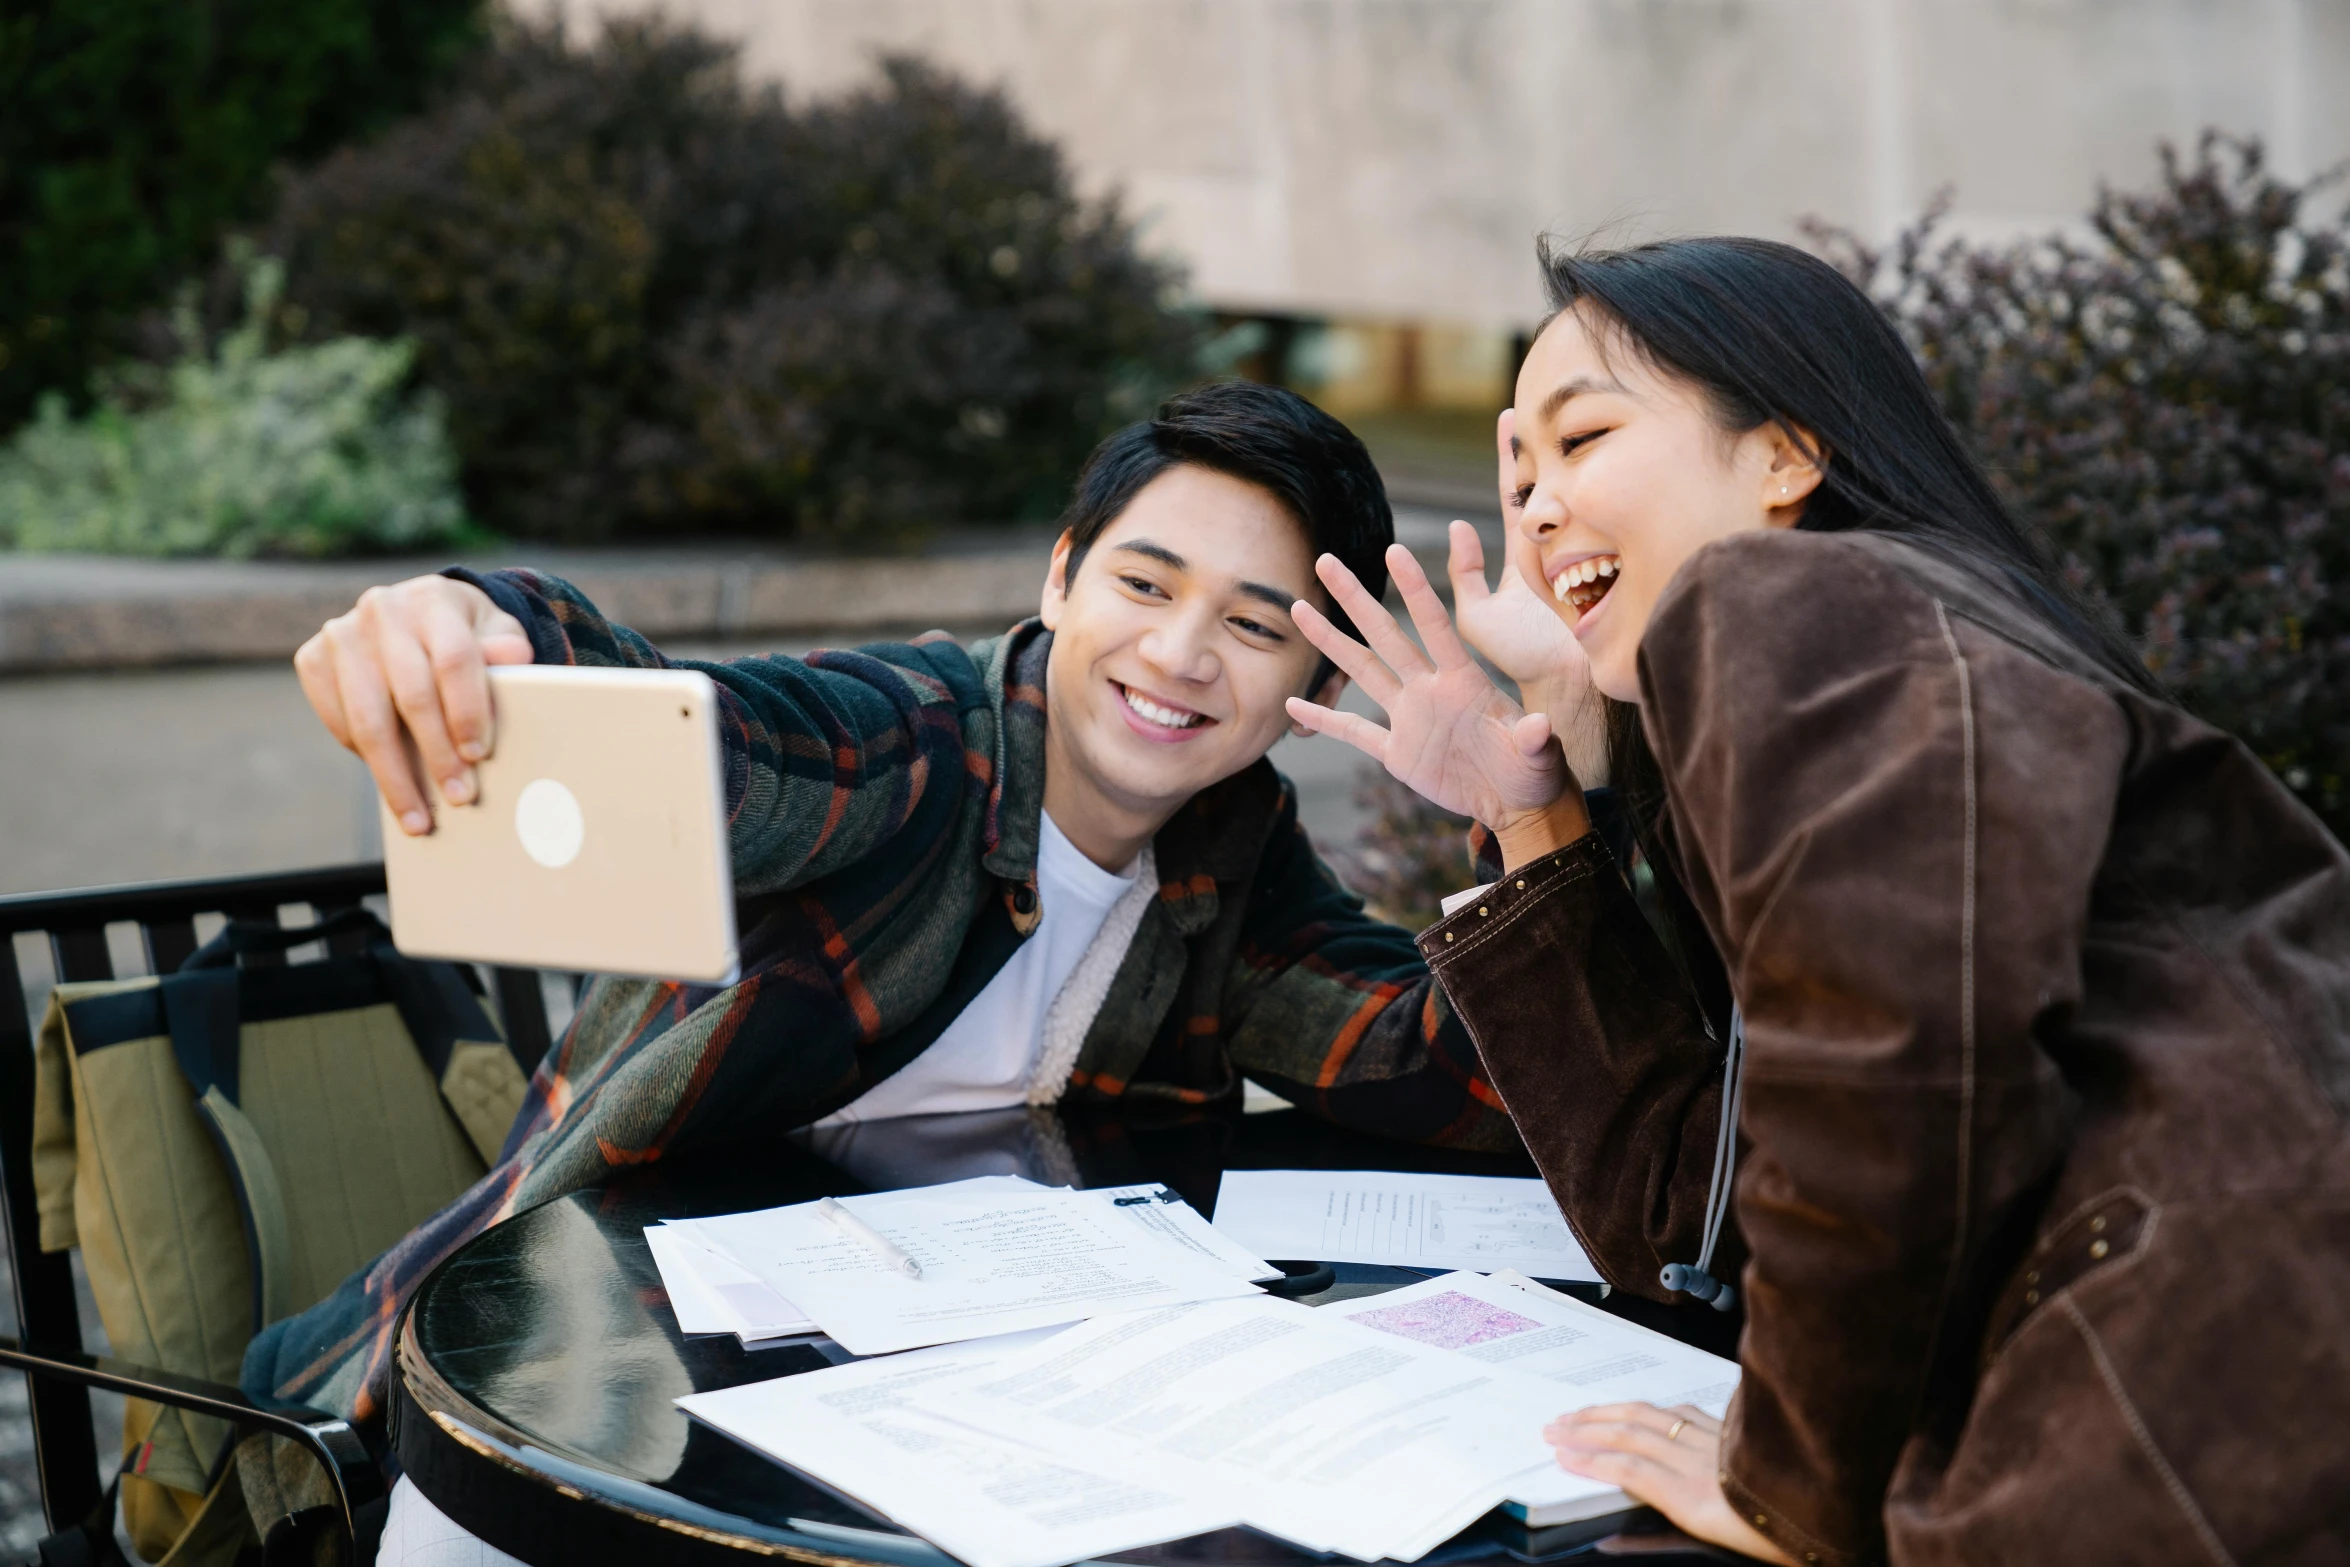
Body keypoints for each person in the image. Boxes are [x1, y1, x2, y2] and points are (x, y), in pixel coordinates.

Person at [266, 382, 1529, 1561]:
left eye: (1254, 625)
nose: (1183, 653)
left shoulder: (1228, 852)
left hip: (944, 1403)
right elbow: (708, 734)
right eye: (1144, 584)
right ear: (1061, 575)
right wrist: (480, 623)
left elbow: (1454, 1078)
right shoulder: (918, 739)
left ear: (1311, 677)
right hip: (578, 1399)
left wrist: (1528, 809)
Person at [1286, 236, 2350, 1564]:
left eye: (1583, 438)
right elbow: (1687, 1226)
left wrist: (1787, 1481)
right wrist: (1537, 804)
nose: (1540, 506)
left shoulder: (1805, 603)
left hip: (2169, 1457)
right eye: (1520, 474)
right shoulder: (1883, 669)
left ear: (1786, 455)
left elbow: (1892, 1086)